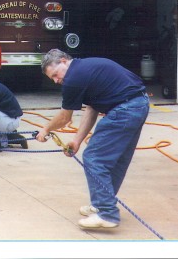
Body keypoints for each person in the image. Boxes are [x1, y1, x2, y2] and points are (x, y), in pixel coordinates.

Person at [35, 49, 150, 230]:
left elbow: (65, 118)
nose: (57, 81)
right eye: (53, 79)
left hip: (125, 109)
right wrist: (77, 141)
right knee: (116, 160)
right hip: (139, 104)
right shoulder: (86, 68)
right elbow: (91, 109)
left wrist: (46, 129)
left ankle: (106, 213)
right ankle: (102, 205)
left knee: (94, 157)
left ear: (64, 61)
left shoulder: (73, 79)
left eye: (56, 74)